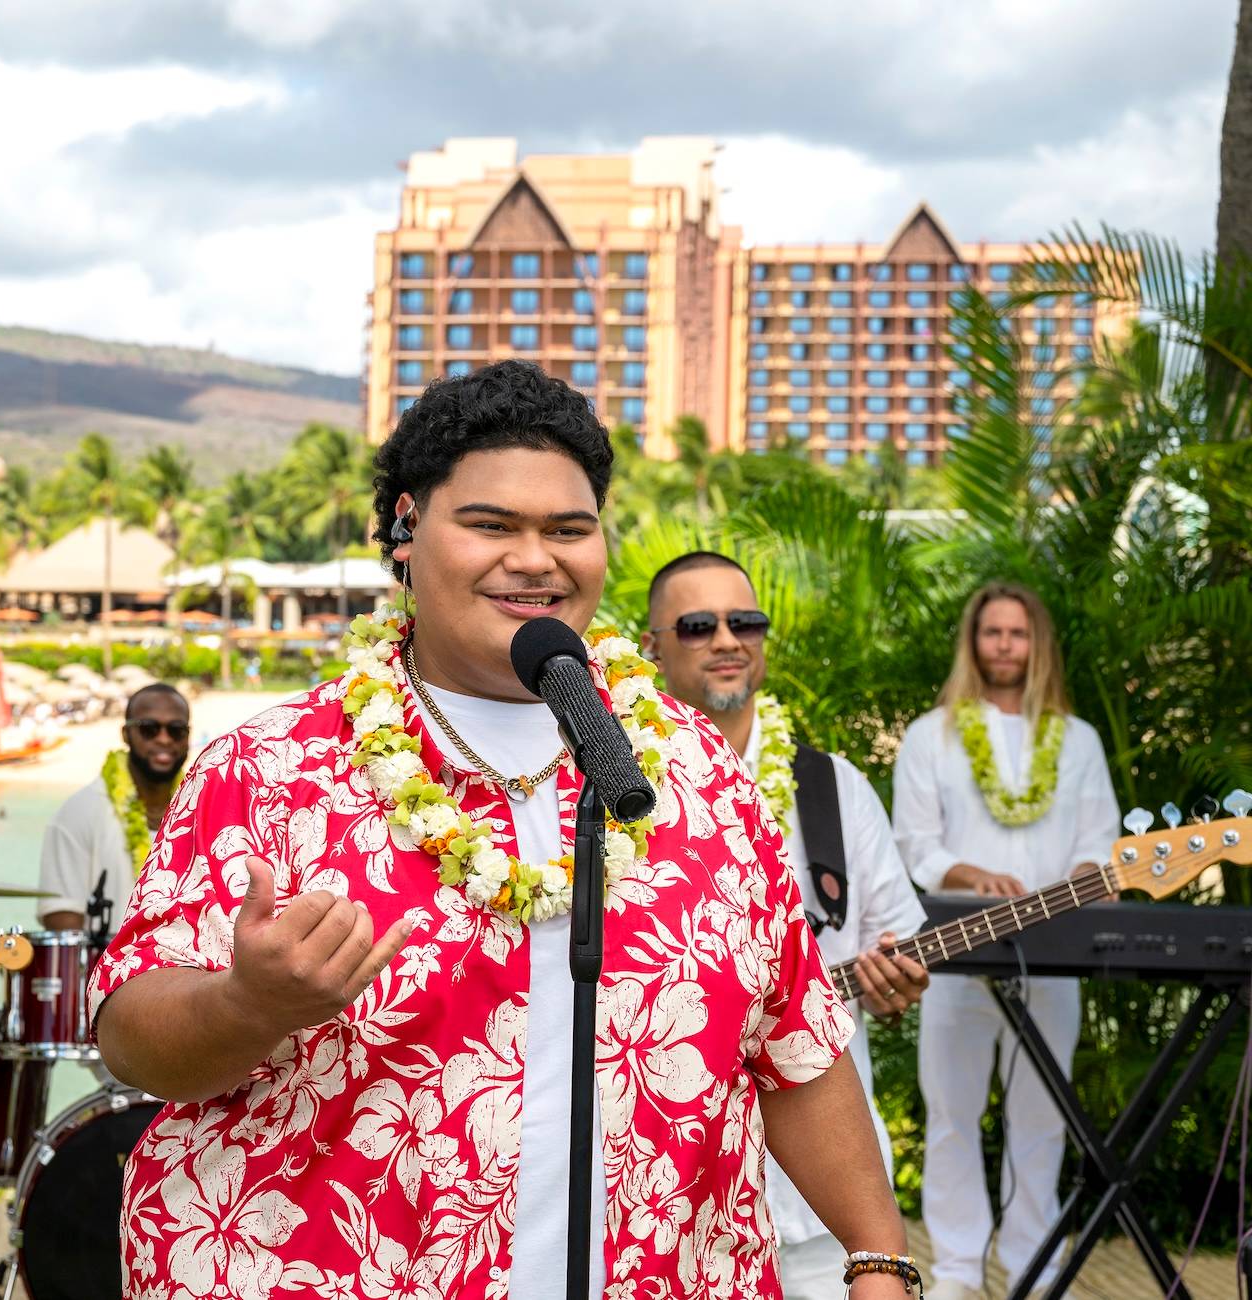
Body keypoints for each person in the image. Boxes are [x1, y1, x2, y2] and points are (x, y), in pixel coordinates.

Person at [90, 360, 916, 1299]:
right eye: (490, 525)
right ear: (406, 528)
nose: (536, 559)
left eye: (570, 530)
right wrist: (250, 1002)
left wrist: (877, 1259)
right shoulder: (272, 769)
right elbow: (129, 1037)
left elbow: (798, 1042)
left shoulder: (692, 772)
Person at [644, 551, 930, 1298]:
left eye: (746, 621)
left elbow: (895, 942)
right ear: (653, 647)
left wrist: (897, 979)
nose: (727, 639)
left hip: (817, 1207)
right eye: (698, 625)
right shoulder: (609, 787)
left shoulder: (834, 787)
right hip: (662, 1199)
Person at [892, 581, 1119, 1300]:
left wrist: (1079, 879)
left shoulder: (1077, 740)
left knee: (1042, 1121)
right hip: (956, 954)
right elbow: (914, 845)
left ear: (1036, 643)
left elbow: (1099, 845)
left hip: (1055, 957)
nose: (1004, 647)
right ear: (974, 641)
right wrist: (969, 872)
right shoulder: (933, 735)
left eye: (1017, 635)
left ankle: (1036, 1269)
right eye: (992, 633)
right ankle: (958, 1274)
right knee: (953, 1118)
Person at [37, 682, 190, 932]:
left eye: (176, 730)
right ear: (126, 734)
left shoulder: (200, 811)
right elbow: (61, 918)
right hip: (107, 969)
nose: (164, 739)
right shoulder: (79, 812)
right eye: (149, 729)